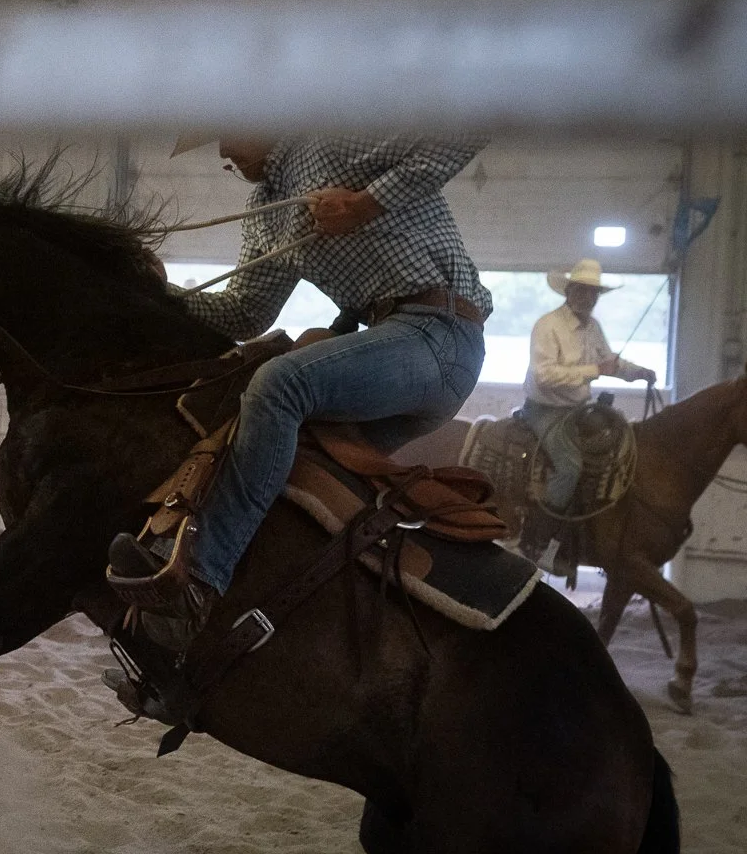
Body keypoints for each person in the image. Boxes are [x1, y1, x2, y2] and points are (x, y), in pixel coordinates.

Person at [108, 135, 489, 643]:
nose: (223, 152)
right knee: (283, 467)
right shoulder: (264, 208)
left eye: (229, 131)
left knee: (281, 382)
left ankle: (199, 578)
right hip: (398, 345)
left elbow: (462, 131)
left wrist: (364, 204)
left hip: (441, 334)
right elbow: (245, 312)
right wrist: (161, 294)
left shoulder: (335, 140)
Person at [521, 257, 656, 519]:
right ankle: (543, 527)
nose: (588, 297)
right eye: (582, 290)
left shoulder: (593, 327)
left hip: (579, 409)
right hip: (545, 411)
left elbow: (609, 363)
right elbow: (544, 376)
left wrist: (638, 373)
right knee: (570, 466)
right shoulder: (547, 325)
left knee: (621, 443)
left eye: (593, 292)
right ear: (568, 290)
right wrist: (594, 371)